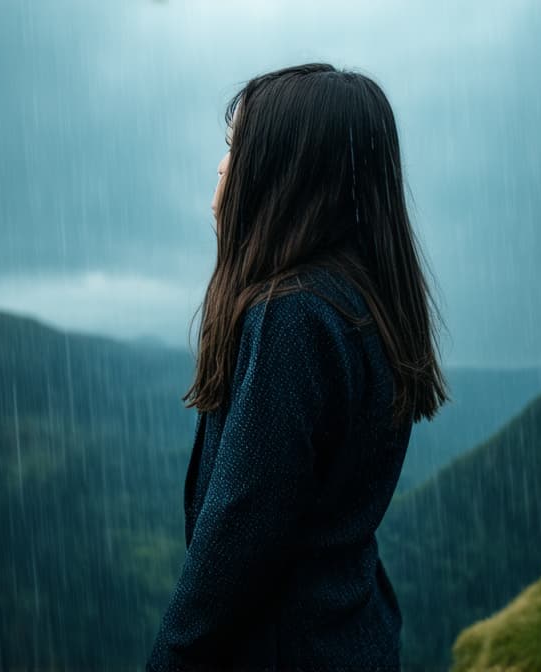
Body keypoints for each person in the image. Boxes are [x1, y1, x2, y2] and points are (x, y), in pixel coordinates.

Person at [145, 63, 450, 672]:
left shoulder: (293, 318)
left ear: (281, 173)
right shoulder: (359, 306)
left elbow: (240, 530)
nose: (221, 165)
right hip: (350, 642)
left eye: (235, 147)